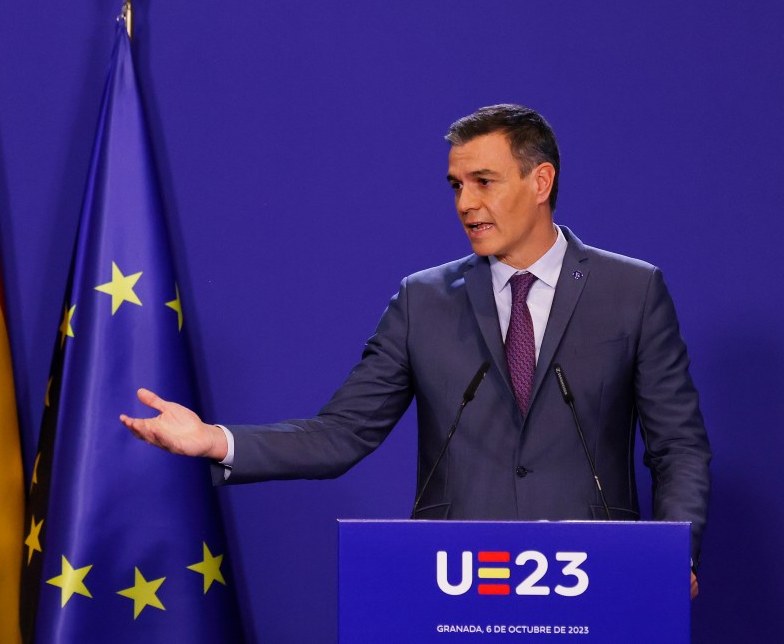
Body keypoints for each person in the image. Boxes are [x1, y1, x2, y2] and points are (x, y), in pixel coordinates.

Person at [120, 104, 710, 598]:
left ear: (541, 182)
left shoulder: (631, 291)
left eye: (484, 181)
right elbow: (342, 433)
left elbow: (677, 445)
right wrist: (217, 440)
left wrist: (673, 553)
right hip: (456, 588)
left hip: (595, 581)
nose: (465, 203)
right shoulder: (423, 300)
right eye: (456, 185)